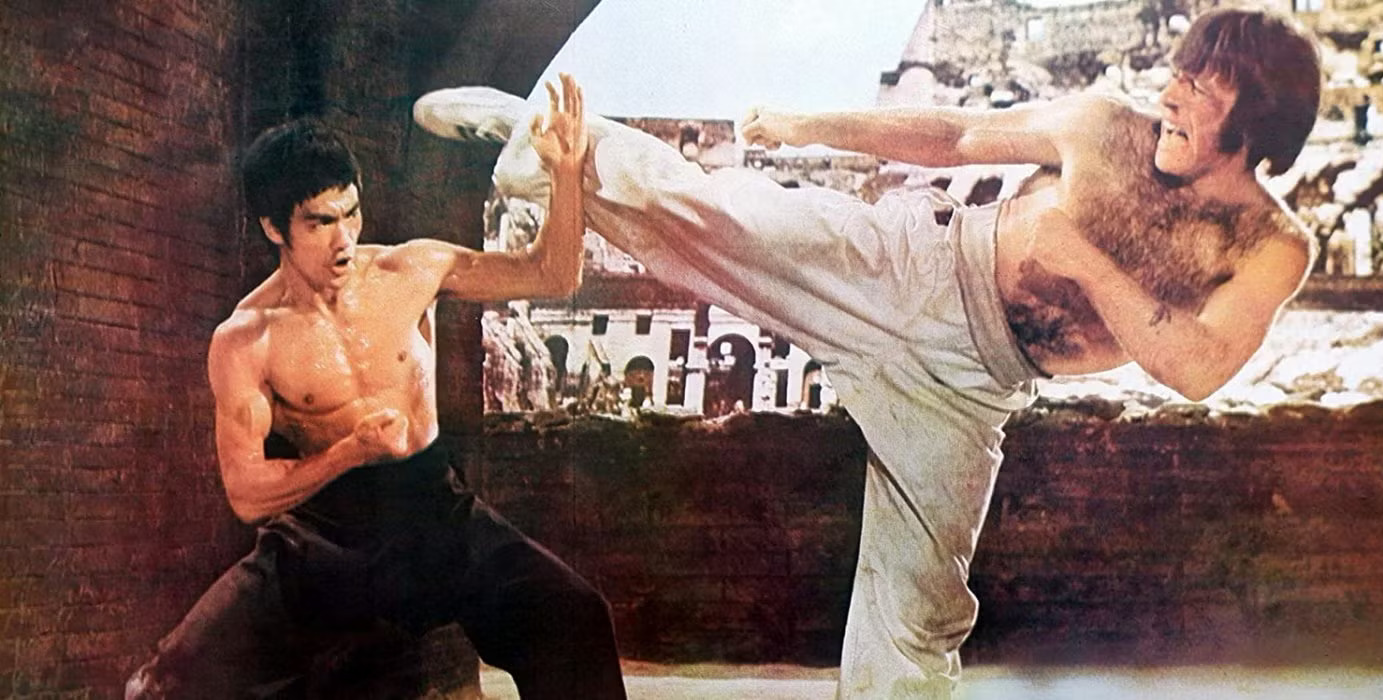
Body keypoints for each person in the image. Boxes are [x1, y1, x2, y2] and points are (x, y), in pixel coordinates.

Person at [414, 8, 1321, 698]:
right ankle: (532, 136)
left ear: (1259, 120)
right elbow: (953, 136)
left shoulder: (1270, 244)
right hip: (914, 265)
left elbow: (1199, 367)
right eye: (1179, 74)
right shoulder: (1105, 123)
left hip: (972, 387)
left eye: (1202, 88)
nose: (1171, 94)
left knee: (919, 611)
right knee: (715, 209)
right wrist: (810, 126)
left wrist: (1084, 261)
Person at [127, 75, 629, 699]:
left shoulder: (408, 269)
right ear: (274, 229)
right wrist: (348, 452)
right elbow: (248, 494)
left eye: (351, 213)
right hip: (324, 537)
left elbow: (552, 274)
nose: (344, 239)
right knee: (167, 684)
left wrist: (565, 172)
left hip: (436, 512)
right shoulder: (246, 338)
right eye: (320, 223)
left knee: (574, 616)